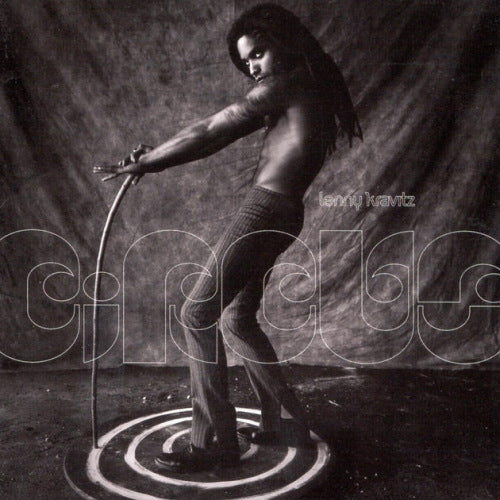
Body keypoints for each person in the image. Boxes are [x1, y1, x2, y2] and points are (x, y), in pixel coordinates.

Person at [94, 3, 361, 473]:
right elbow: (216, 132)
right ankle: (284, 424)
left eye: (258, 53)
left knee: (196, 313)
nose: (253, 66)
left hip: (266, 209)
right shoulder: (303, 84)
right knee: (237, 319)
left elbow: (211, 129)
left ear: (283, 42)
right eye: (246, 60)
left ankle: (215, 443)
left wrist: (148, 162)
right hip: (284, 212)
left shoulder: (287, 83)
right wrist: (155, 155)